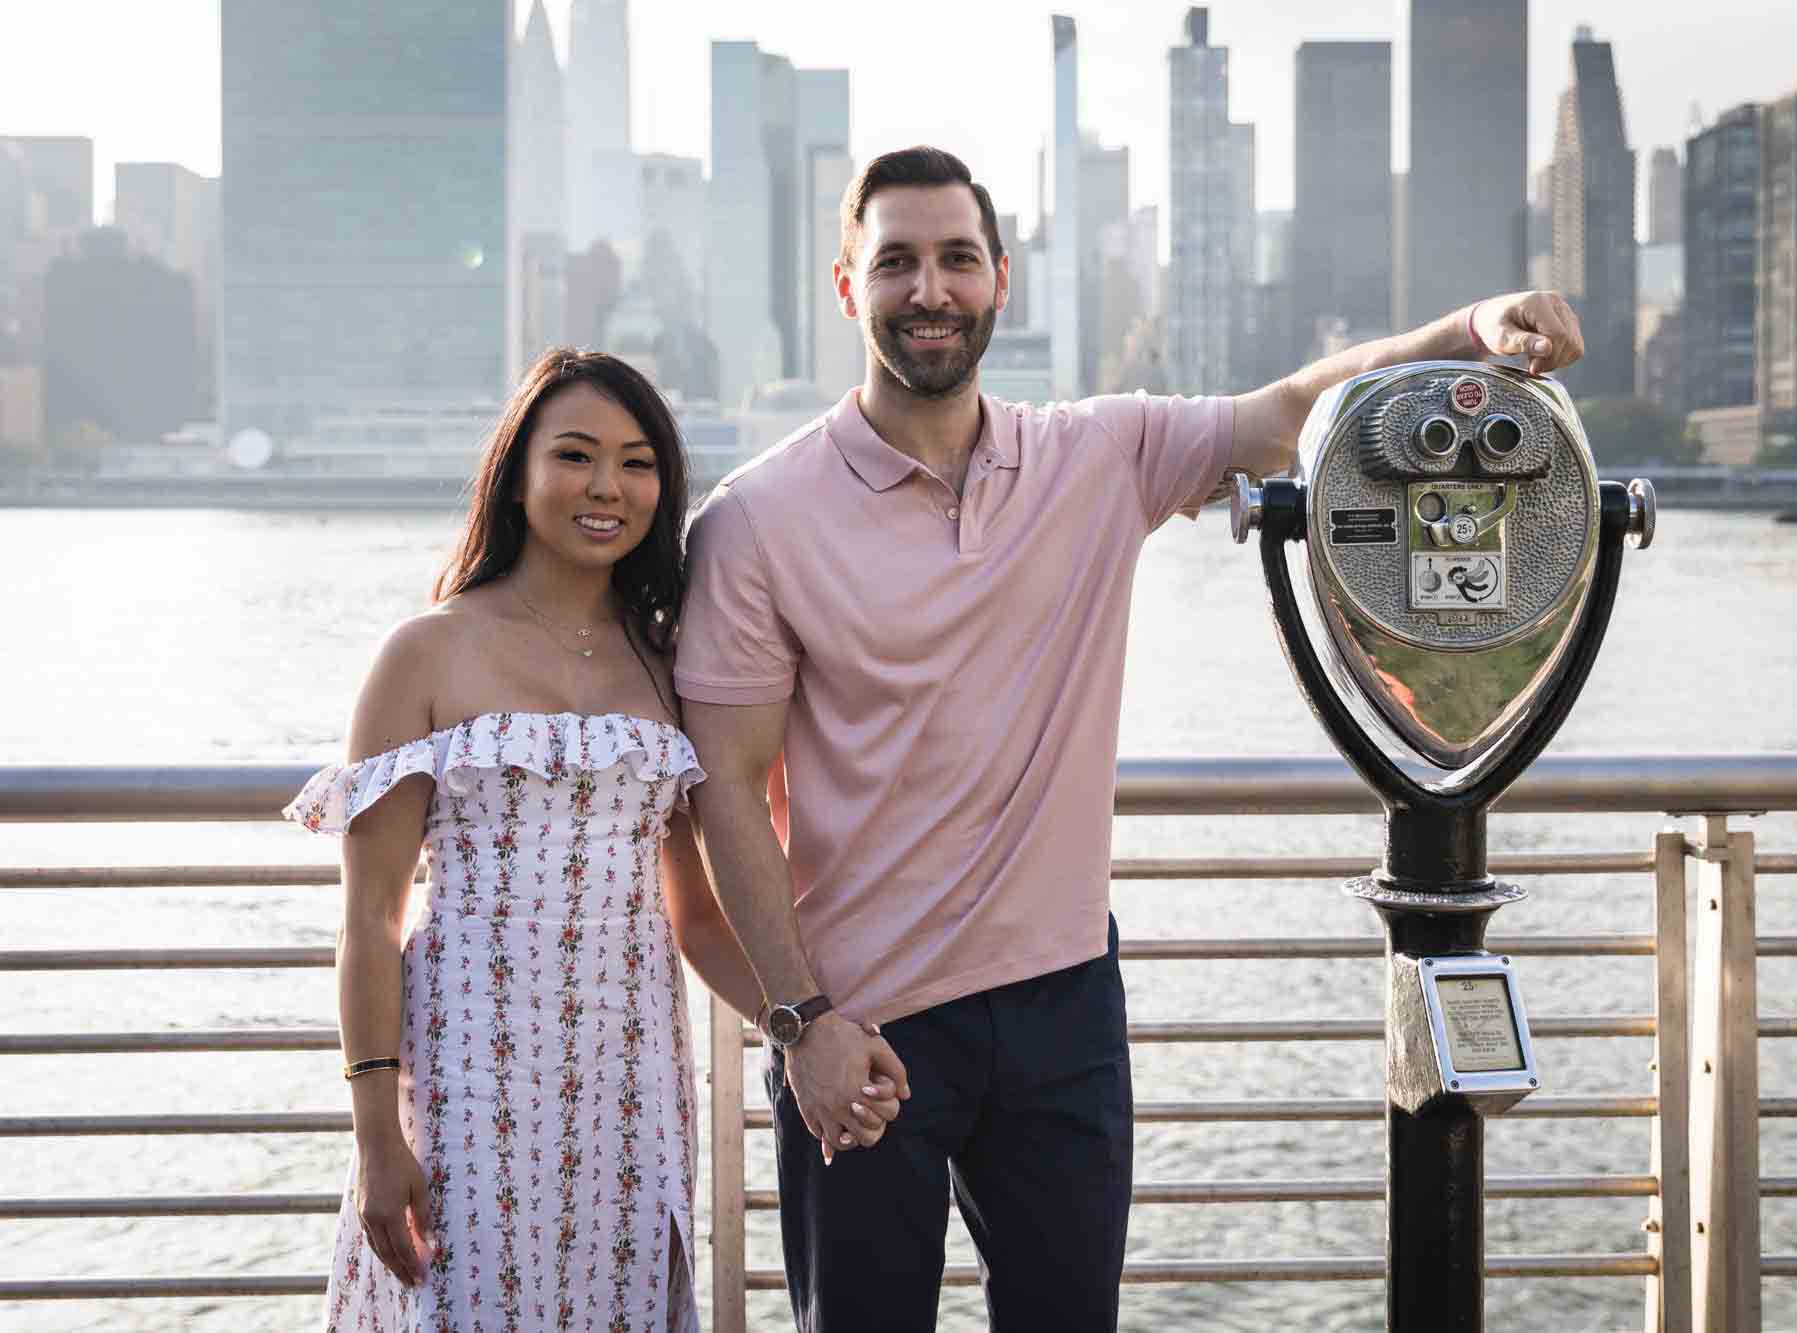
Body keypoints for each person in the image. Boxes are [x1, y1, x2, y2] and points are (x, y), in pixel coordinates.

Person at [674, 146, 1585, 1332]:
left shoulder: (1092, 457)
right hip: (864, 1024)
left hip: (1062, 1008)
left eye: (956, 259)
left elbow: (1291, 414)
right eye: (894, 262)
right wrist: (797, 1022)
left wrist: (1467, 330)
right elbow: (727, 793)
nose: (929, 290)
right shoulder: (754, 519)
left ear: (1001, 279)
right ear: (847, 286)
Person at [282, 348, 903, 1331]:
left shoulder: (669, 659)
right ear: (517, 472)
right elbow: (368, 917)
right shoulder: (424, 652)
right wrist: (374, 1131)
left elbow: (695, 915)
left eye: (636, 460)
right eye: (574, 455)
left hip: (628, 1092)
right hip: (461, 1086)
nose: (607, 486)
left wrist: (804, 1027)